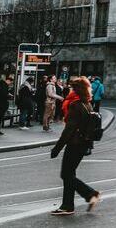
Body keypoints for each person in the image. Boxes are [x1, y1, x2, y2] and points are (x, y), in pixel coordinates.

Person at [48, 77, 100, 216]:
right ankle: (67, 205)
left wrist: (56, 149)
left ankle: (90, 194)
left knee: (66, 174)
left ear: (76, 89)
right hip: (83, 144)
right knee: (69, 174)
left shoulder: (75, 105)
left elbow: (68, 130)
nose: (70, 89)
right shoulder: (87, 104)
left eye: (72, 87)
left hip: (74, 144)